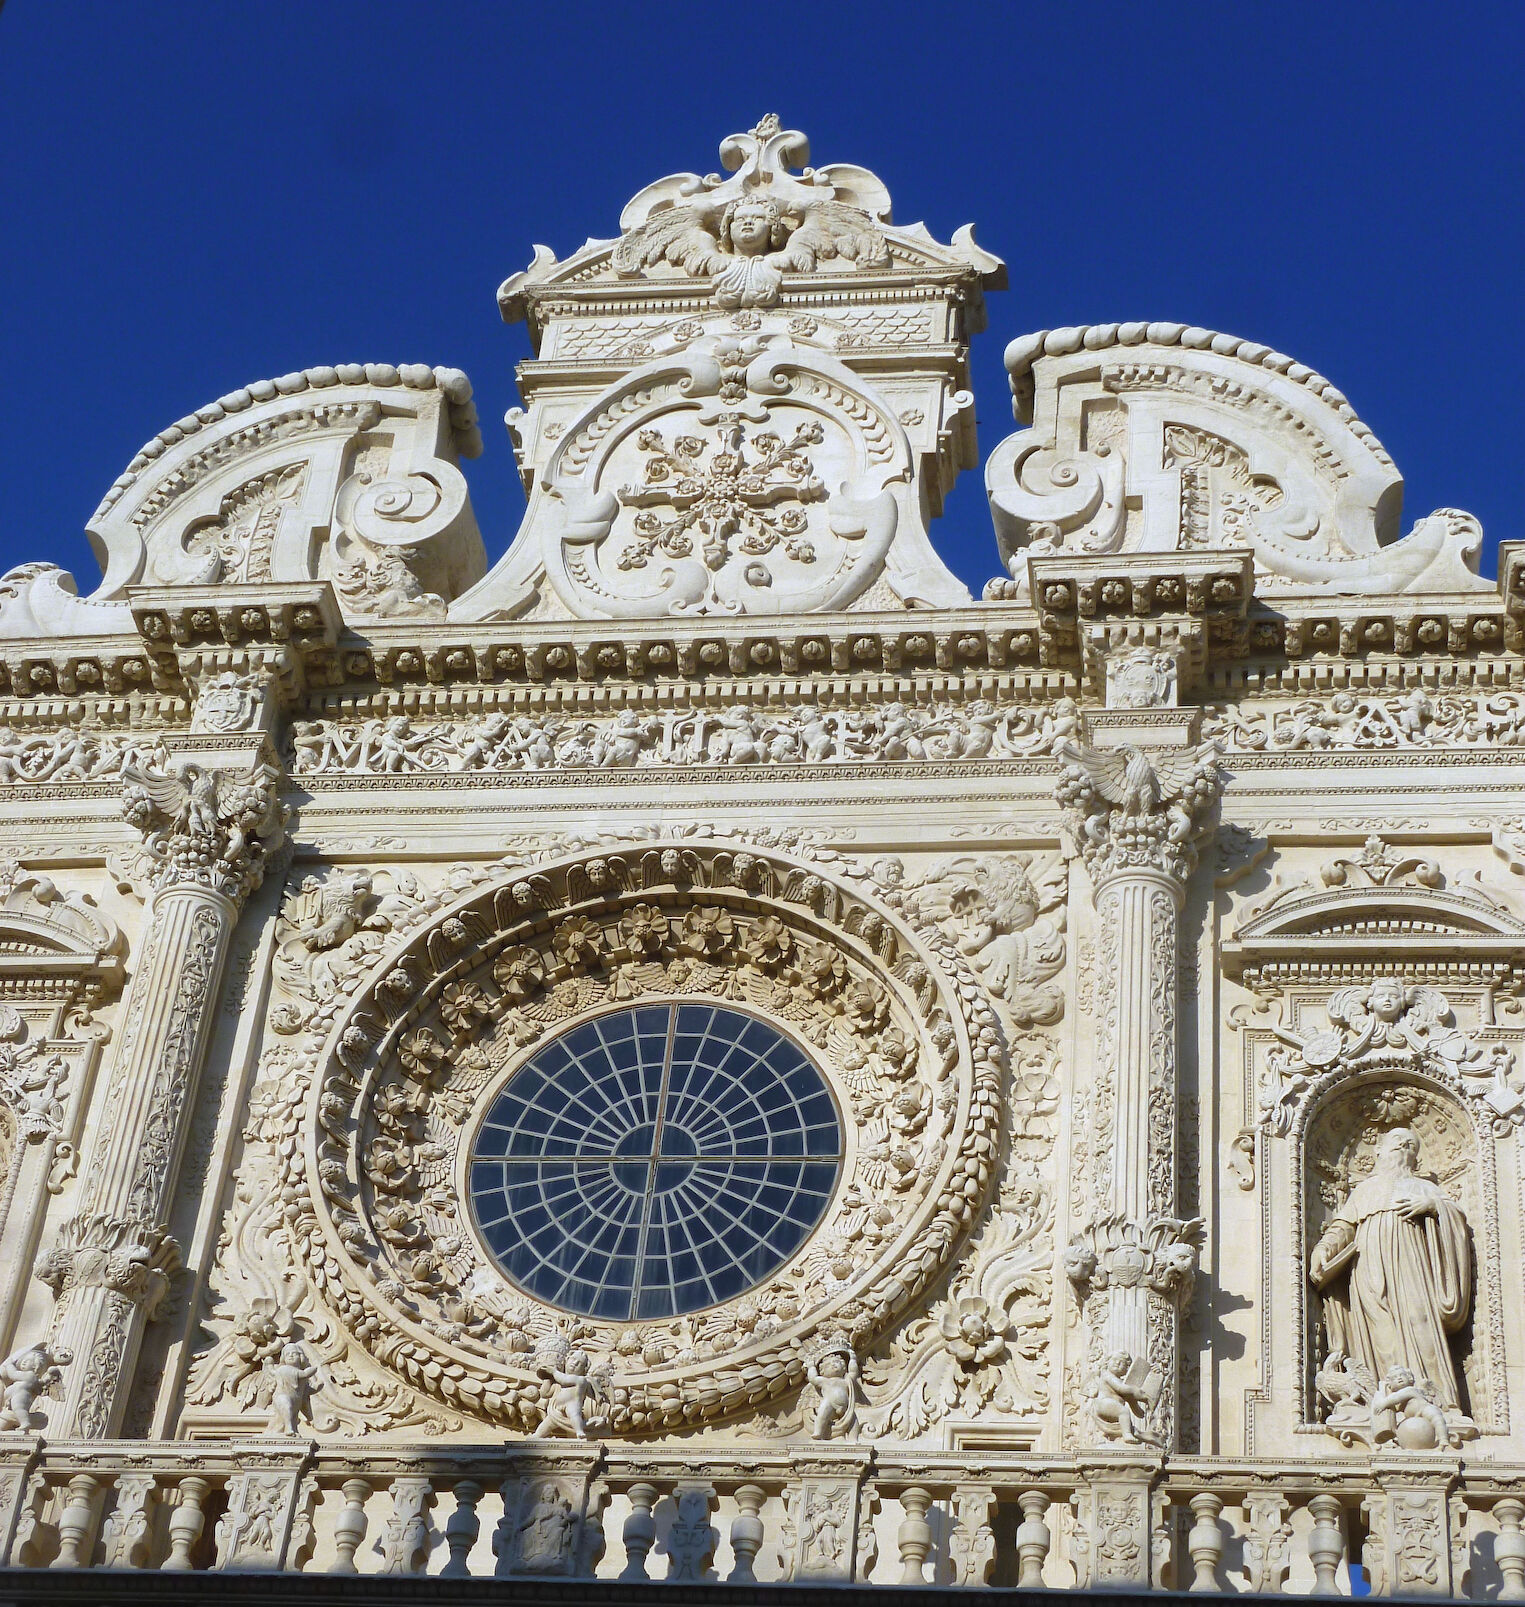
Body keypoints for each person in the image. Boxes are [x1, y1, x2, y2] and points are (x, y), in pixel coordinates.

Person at [1310, 1128, 1471, 1410]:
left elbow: (1456, 1219)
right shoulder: (1365, 1190)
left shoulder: (1427, 1189)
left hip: (1413, 1267)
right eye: (1396, 1141)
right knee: (1381, 1333)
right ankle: (1386, 1402)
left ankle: (1438, 1400)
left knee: (1421, 1322)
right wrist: (1322, 1251)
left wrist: (1433, 1206)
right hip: (1369, 1268)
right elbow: (1343, 1228)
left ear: (1416, 1159)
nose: (1404, 1145)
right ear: (1378, 1152)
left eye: (1410, 1144)